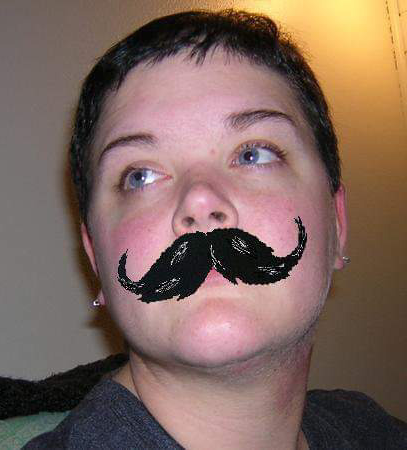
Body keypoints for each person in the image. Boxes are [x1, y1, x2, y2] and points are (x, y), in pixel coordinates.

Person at [25, 9, 407, 449]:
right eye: (140, 176)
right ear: (96, 259)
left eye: (253, 154)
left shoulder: (371, 428)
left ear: (337, 223)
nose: (200, 201)